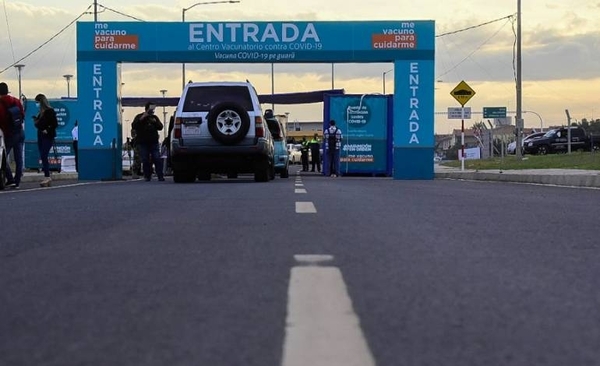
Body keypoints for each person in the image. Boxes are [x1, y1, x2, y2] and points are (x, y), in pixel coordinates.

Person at [0, 82, 25, 188]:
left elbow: (1, 120)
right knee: (19, 158)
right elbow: (22, 115)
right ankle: (17, 180)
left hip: (9, 134)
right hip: (19, 132)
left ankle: (10, 178)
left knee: (3, 158)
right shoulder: (16, 101)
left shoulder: (0, 103)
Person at [131, 101, 165, 181]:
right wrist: (142, 118)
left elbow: (160, 127)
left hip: (153, 141)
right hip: (143, 142)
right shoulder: (139, 116)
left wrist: (155, 122)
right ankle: (147, 175)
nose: (152, 112)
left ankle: (160, 175)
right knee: (145, 159)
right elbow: (134, 126)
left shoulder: (154, 117)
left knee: (156, 158)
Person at [33, 94, 58, 186]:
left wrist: (47, 130)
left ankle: (47, 176)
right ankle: (46, 176)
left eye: (37, 102)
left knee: (44, 154)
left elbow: (55, 124)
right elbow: (39, 124)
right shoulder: (40, 113)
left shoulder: (50, 111)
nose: (36, 104)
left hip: (48, 136)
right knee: (42, 155)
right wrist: (36, 121)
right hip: (40, 135)